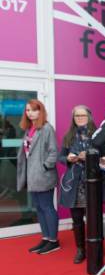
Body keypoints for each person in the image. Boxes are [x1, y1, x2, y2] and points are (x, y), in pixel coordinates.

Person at [16, 100, 60, 254]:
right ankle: (46, 238)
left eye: (33, 110)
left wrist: (44, 167)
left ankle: (54, 241)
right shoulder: (29, 129)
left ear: (40, 111)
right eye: (27, 110)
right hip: (32, 175)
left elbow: (54, 151)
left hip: (43, 175)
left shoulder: (47, 128)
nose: (30, 113)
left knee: (47, 207)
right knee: (39, 208)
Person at [58, 105, 96, 264]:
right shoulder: (69, 136)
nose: (80, 118)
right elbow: (60, 157)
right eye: (77, 116)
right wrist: (68, 159)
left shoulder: (97, 134)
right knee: (77, 219)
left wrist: (88, 155)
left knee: (93, 219)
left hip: (91, 182)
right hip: (74, 183)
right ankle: (81, 250)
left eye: (83, 115)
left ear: (89, 116)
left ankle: (95, 247)